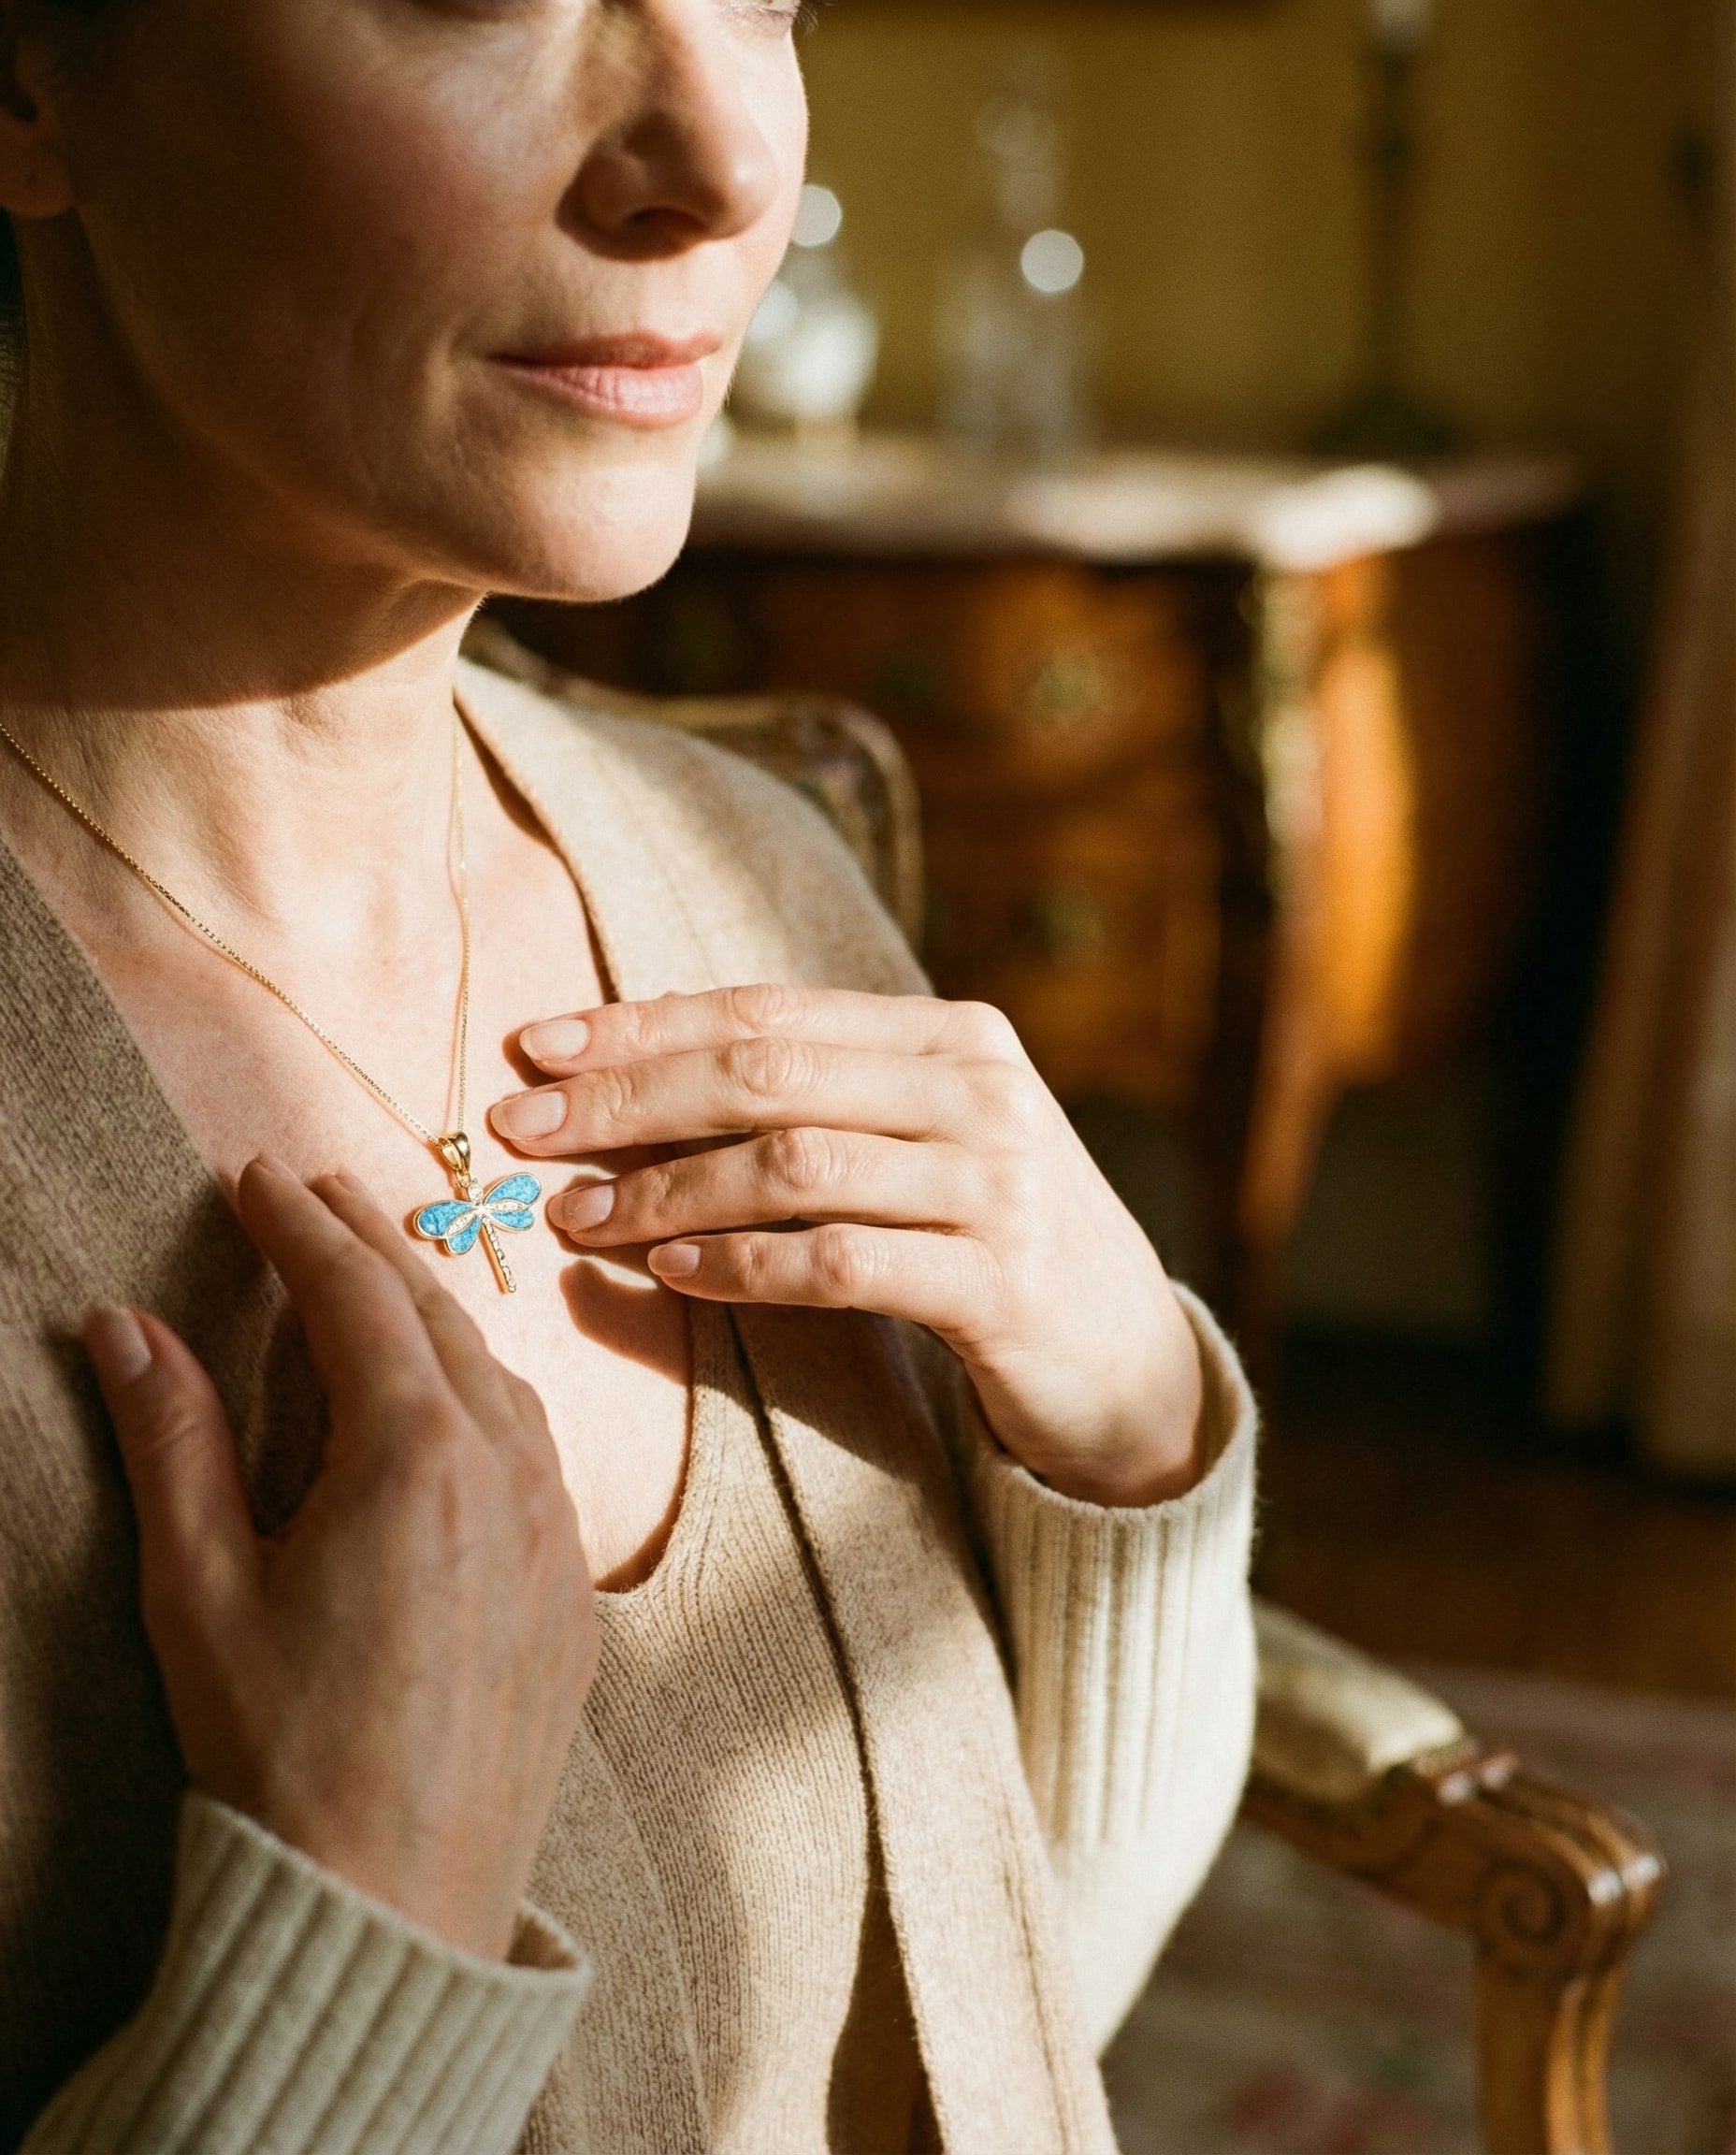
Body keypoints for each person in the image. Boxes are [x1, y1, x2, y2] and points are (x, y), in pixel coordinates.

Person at [0, 4, 1257, 2150]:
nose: (720, 158)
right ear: (34, 81)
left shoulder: (747, 875)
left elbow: (988, 2017)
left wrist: (1124, 1429)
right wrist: (355, 1941)